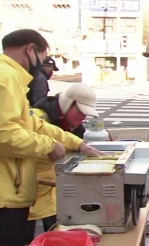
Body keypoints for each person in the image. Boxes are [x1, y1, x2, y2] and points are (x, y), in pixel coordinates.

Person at [0, 29, 102, 246]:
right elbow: (4, 133)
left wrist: (77, 143)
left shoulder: (14, 79)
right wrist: (48, 146)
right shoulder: (5, 76)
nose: (41, 64)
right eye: (42, 57)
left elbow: (33, 125)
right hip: (6, 196)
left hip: (14, 192)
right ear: (30, 50)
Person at [25, 83, 99, 243]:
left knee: (59, 237)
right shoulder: (38, 117)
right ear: (67, 104)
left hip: (54, 192)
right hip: (27, 193)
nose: (82, 118)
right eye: (80, 112)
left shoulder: (71, 126)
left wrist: (81, 145)